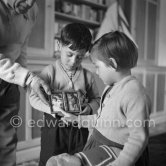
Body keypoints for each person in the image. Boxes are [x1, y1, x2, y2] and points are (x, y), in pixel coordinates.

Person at [47, 31, 151, 166]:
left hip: (119, 153)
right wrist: (77, 120)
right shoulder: (111, 87)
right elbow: (101, 119)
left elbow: (138, 138)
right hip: (100, 143)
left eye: (97, 66)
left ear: (112, 64)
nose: (96, 71)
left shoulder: (134, 93)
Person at [29, 23, 100, 166]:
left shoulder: (88, 76)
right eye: (69, 54)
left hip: (79, 127)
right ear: (59, 45)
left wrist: (89, 108)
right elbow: (33, 98)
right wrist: (51, 108)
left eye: (79, 57)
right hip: (54, 127)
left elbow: (97, 99)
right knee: (50, 160)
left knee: (77, 160)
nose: (74, 61)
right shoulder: (49, 72)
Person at [0, 0, 51, 166]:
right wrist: (27, 78)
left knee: (7, 140)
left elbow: (21, 48)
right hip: (12, 73)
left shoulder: (32, 10)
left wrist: (28, 83)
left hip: (10, 80)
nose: (29, 3)